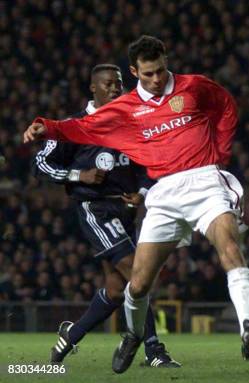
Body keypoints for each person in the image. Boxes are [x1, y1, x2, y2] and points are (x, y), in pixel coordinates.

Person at [24, 35, 249, 374]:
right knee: (136, 285)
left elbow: (226, 105)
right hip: (163, 195)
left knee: (229, 246)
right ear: (135, 71)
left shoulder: (193, 86)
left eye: (161, 70)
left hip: (205, 182)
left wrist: (221, 153)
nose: (157, 79)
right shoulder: (125, 110)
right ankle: (135, 335)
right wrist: (47, 127)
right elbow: (83, 127)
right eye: (149, 74)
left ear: (167, 61)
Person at [33, 63, 180, 368]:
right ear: (94, 88)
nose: (116, 88)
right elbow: (41, 163)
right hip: (95, 209)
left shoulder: (132, 124)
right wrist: (78, 175)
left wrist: (142, 192)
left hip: (126, 211)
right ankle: (154, 349)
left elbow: (149, 167)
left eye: (119, 84)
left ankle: (70, 336)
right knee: (136, 273)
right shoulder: (73, 125)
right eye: (109, 84)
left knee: (115, 290)